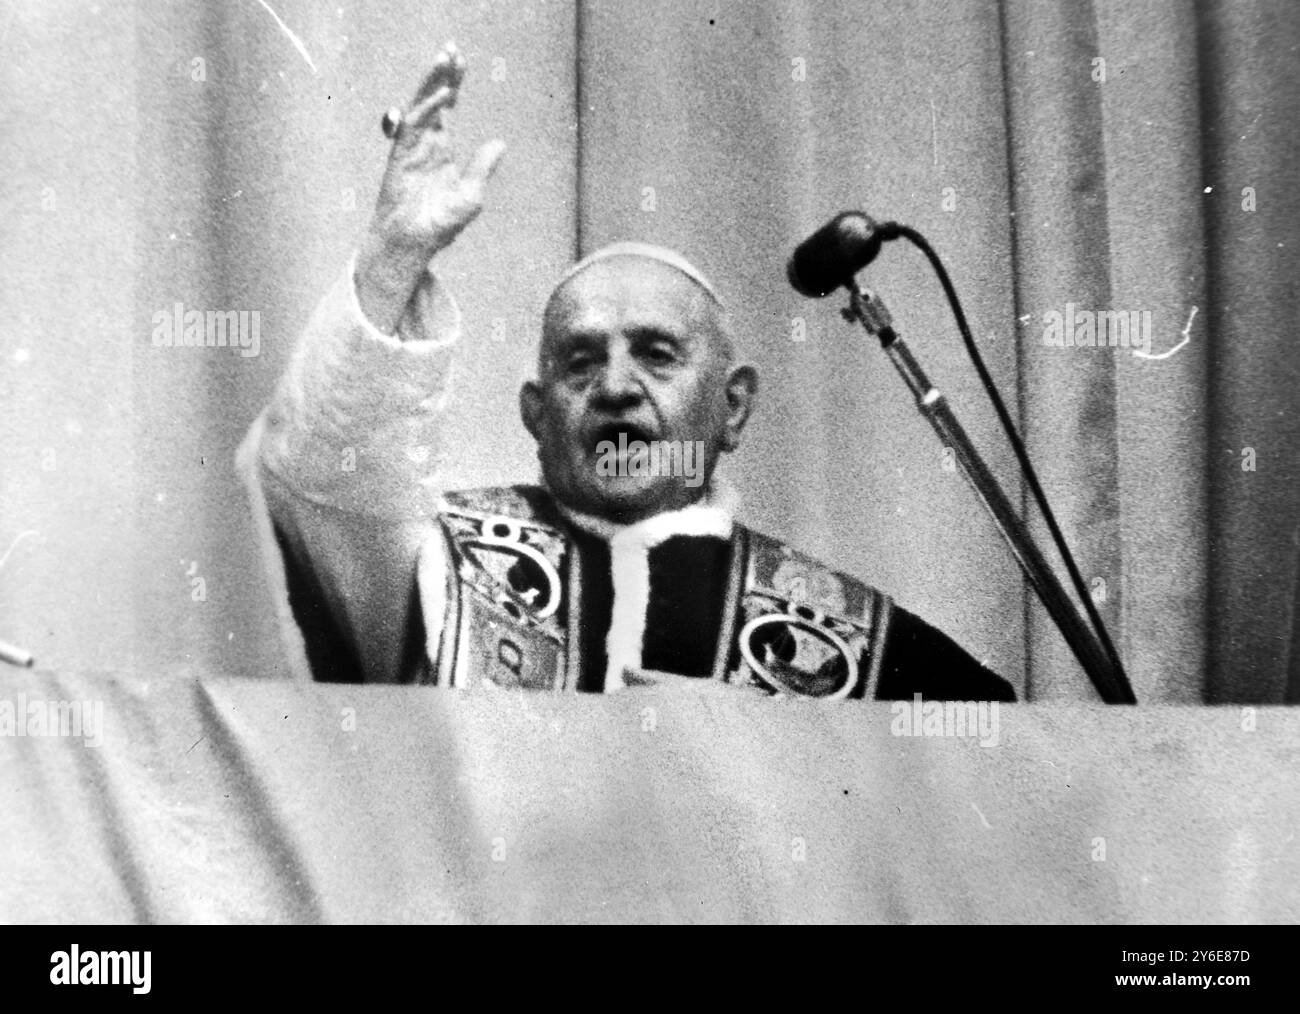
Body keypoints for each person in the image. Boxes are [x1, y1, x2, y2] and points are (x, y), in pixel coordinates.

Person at [239, 43, 1014, 702]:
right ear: (536, 416)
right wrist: (393, 257)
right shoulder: (442, 567)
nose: (614, 385)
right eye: (580, 362)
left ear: (734, 407)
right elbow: (317, 473)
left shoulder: (858, 644)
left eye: (657, 354)